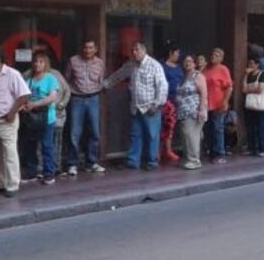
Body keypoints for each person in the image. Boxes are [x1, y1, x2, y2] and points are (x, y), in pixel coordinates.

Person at [103, 42, 169, 170]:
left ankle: (152, 162)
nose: (134, 53)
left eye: (137, 50)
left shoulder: (154, 65)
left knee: (152, 135)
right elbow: (118, 75)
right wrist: (104, 85)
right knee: (135, 135)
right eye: (133, 50)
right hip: (136, 106)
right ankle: (133, 162)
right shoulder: (131, 65)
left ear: (144, 51)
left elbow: (162, 86)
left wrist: (156, 104)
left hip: (151, 107)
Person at [0, 46, 31, 198]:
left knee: (9, 153)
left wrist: (12, 112)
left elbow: (24, 95)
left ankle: (12, 185)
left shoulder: (12, 74)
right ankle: (0, 183)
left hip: (6, 120)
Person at [65, 39, 106, 176]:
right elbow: (66, 80)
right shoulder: (73, 61)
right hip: (77, 99)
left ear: (95, 49)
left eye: (91, 48)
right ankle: (72, 164)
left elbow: (101, 80)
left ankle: (91, 162)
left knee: (94, 132)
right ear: (82, 49)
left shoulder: (100, 63)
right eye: (86, 47)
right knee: (75, 133)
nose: (88, 50)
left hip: (94, 98)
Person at [20, 51, 60, 185]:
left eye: (41, 62)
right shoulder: (29, 79)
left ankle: (49, 173)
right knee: (30, 145)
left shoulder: (50, 79)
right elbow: (23, 96)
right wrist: (24, 106)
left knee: (47, 145)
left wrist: (35, 104)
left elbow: (52, 97)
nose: (38, 64)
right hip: (31, 117)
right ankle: (32, 172)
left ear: (46, 64)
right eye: (36, 61)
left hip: (47, 117)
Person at [176, 54, 208, 170]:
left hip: (194, 111)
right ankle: (188, 158)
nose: (187, 63)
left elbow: (204, 94)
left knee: (192, 135)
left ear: (195, 64)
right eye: (185, 61)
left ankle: (194, 160)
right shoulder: (184, 77)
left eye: (190, 61)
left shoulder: (198, 76)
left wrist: (202, 110)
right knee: (185, 135)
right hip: (183, 111)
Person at [203, 47, 233, 163]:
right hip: (207, 104)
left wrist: (225, 101)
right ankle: (211, 151)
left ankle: (220, 153)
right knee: (209, 128)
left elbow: (229, 87)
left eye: (216, 55)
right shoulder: (206, 69)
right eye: (212, 55)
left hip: (219, 103)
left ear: (221, 58)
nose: (213, 57)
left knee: (218, 128)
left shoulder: (223, 69)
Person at [160, 43, 184, 164]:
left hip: (178, 100)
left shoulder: (179, 68)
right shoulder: (163, 67)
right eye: (176, 53)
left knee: (173, 126)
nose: (178, 55)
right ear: (170, 53)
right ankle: (166, 150)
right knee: (167, 125)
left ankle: (170, 149)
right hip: (166, 100)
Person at [242, 56, 264, 156]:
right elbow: (243, 88)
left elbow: (260, 89)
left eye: (252, 63)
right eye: (249, 63)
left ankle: (263, 148)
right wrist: (245, 75)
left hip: (260, 105)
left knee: (261, 126)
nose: (250, 65)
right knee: (250, 127)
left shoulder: (262, 74)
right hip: (250, 105)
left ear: (257, 64)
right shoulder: (249, 75)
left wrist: (249, 91)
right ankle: (251, 147)